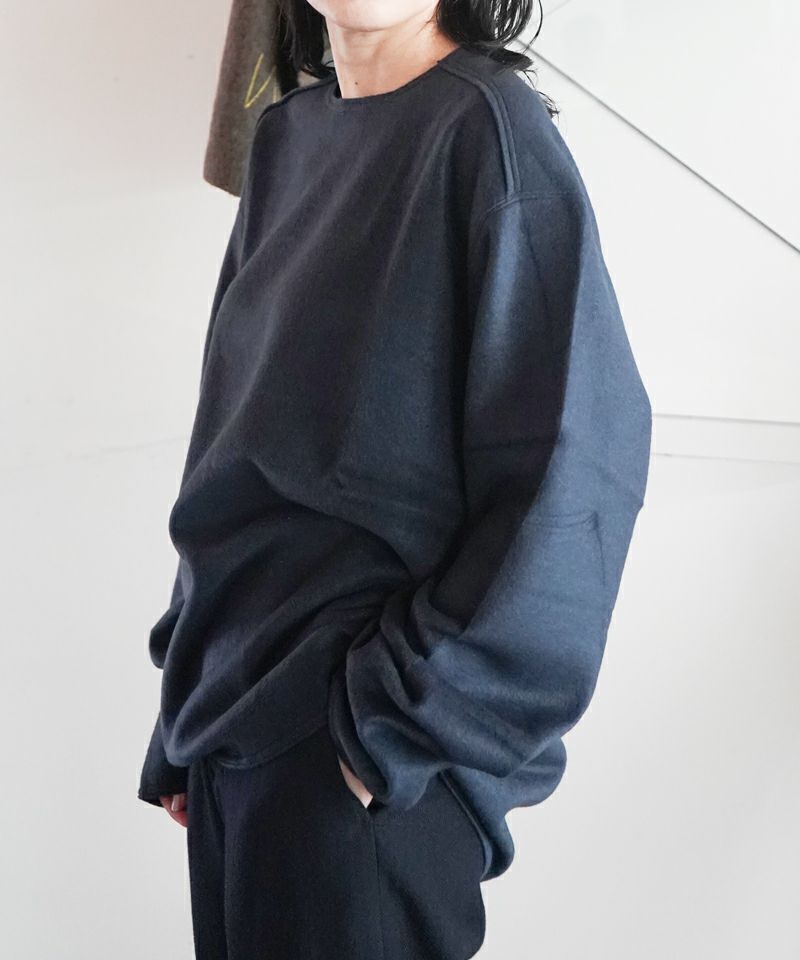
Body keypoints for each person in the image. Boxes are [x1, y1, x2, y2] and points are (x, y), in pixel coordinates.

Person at [137, 2, 653, 957]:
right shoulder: (288, 137)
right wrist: (185, 706)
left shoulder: (491, 134)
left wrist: (384, 734)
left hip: (361, 774)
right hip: (230, 744)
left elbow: (575, 472)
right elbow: (231, 443)